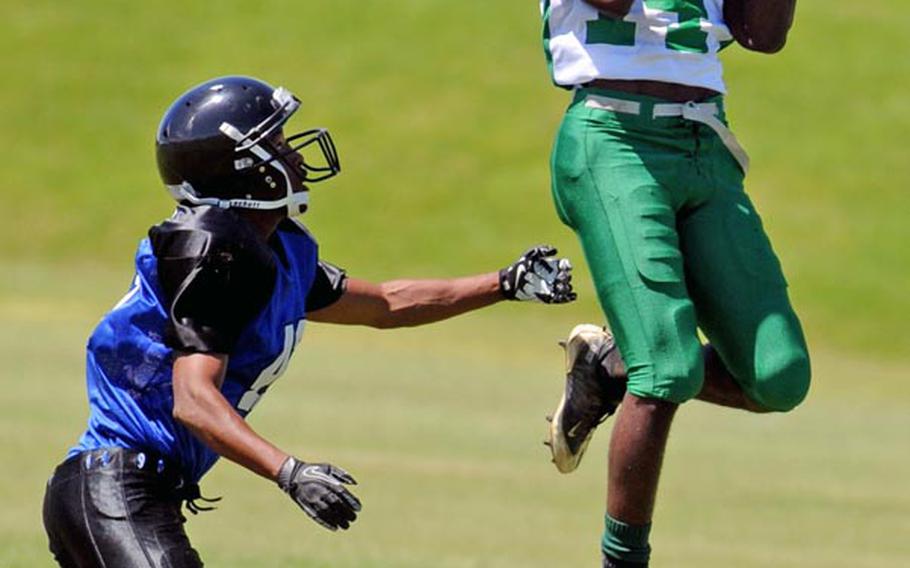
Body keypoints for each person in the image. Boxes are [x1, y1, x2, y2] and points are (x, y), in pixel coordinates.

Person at [42, 75, 576, 567]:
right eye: (274, 145)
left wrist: (505, 283)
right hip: (114, 485)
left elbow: (387, 303)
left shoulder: (274, 250)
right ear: (241, 167)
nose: (293, 155)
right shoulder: (216, 251)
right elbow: (192, 399)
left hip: (136, 491)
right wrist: (288, 471)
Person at [539, 2, 811, 566]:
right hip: (612, 133)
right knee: (666, 371)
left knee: (780, 377)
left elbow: (764, 35)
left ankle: (609, 364)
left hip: (703, 140)